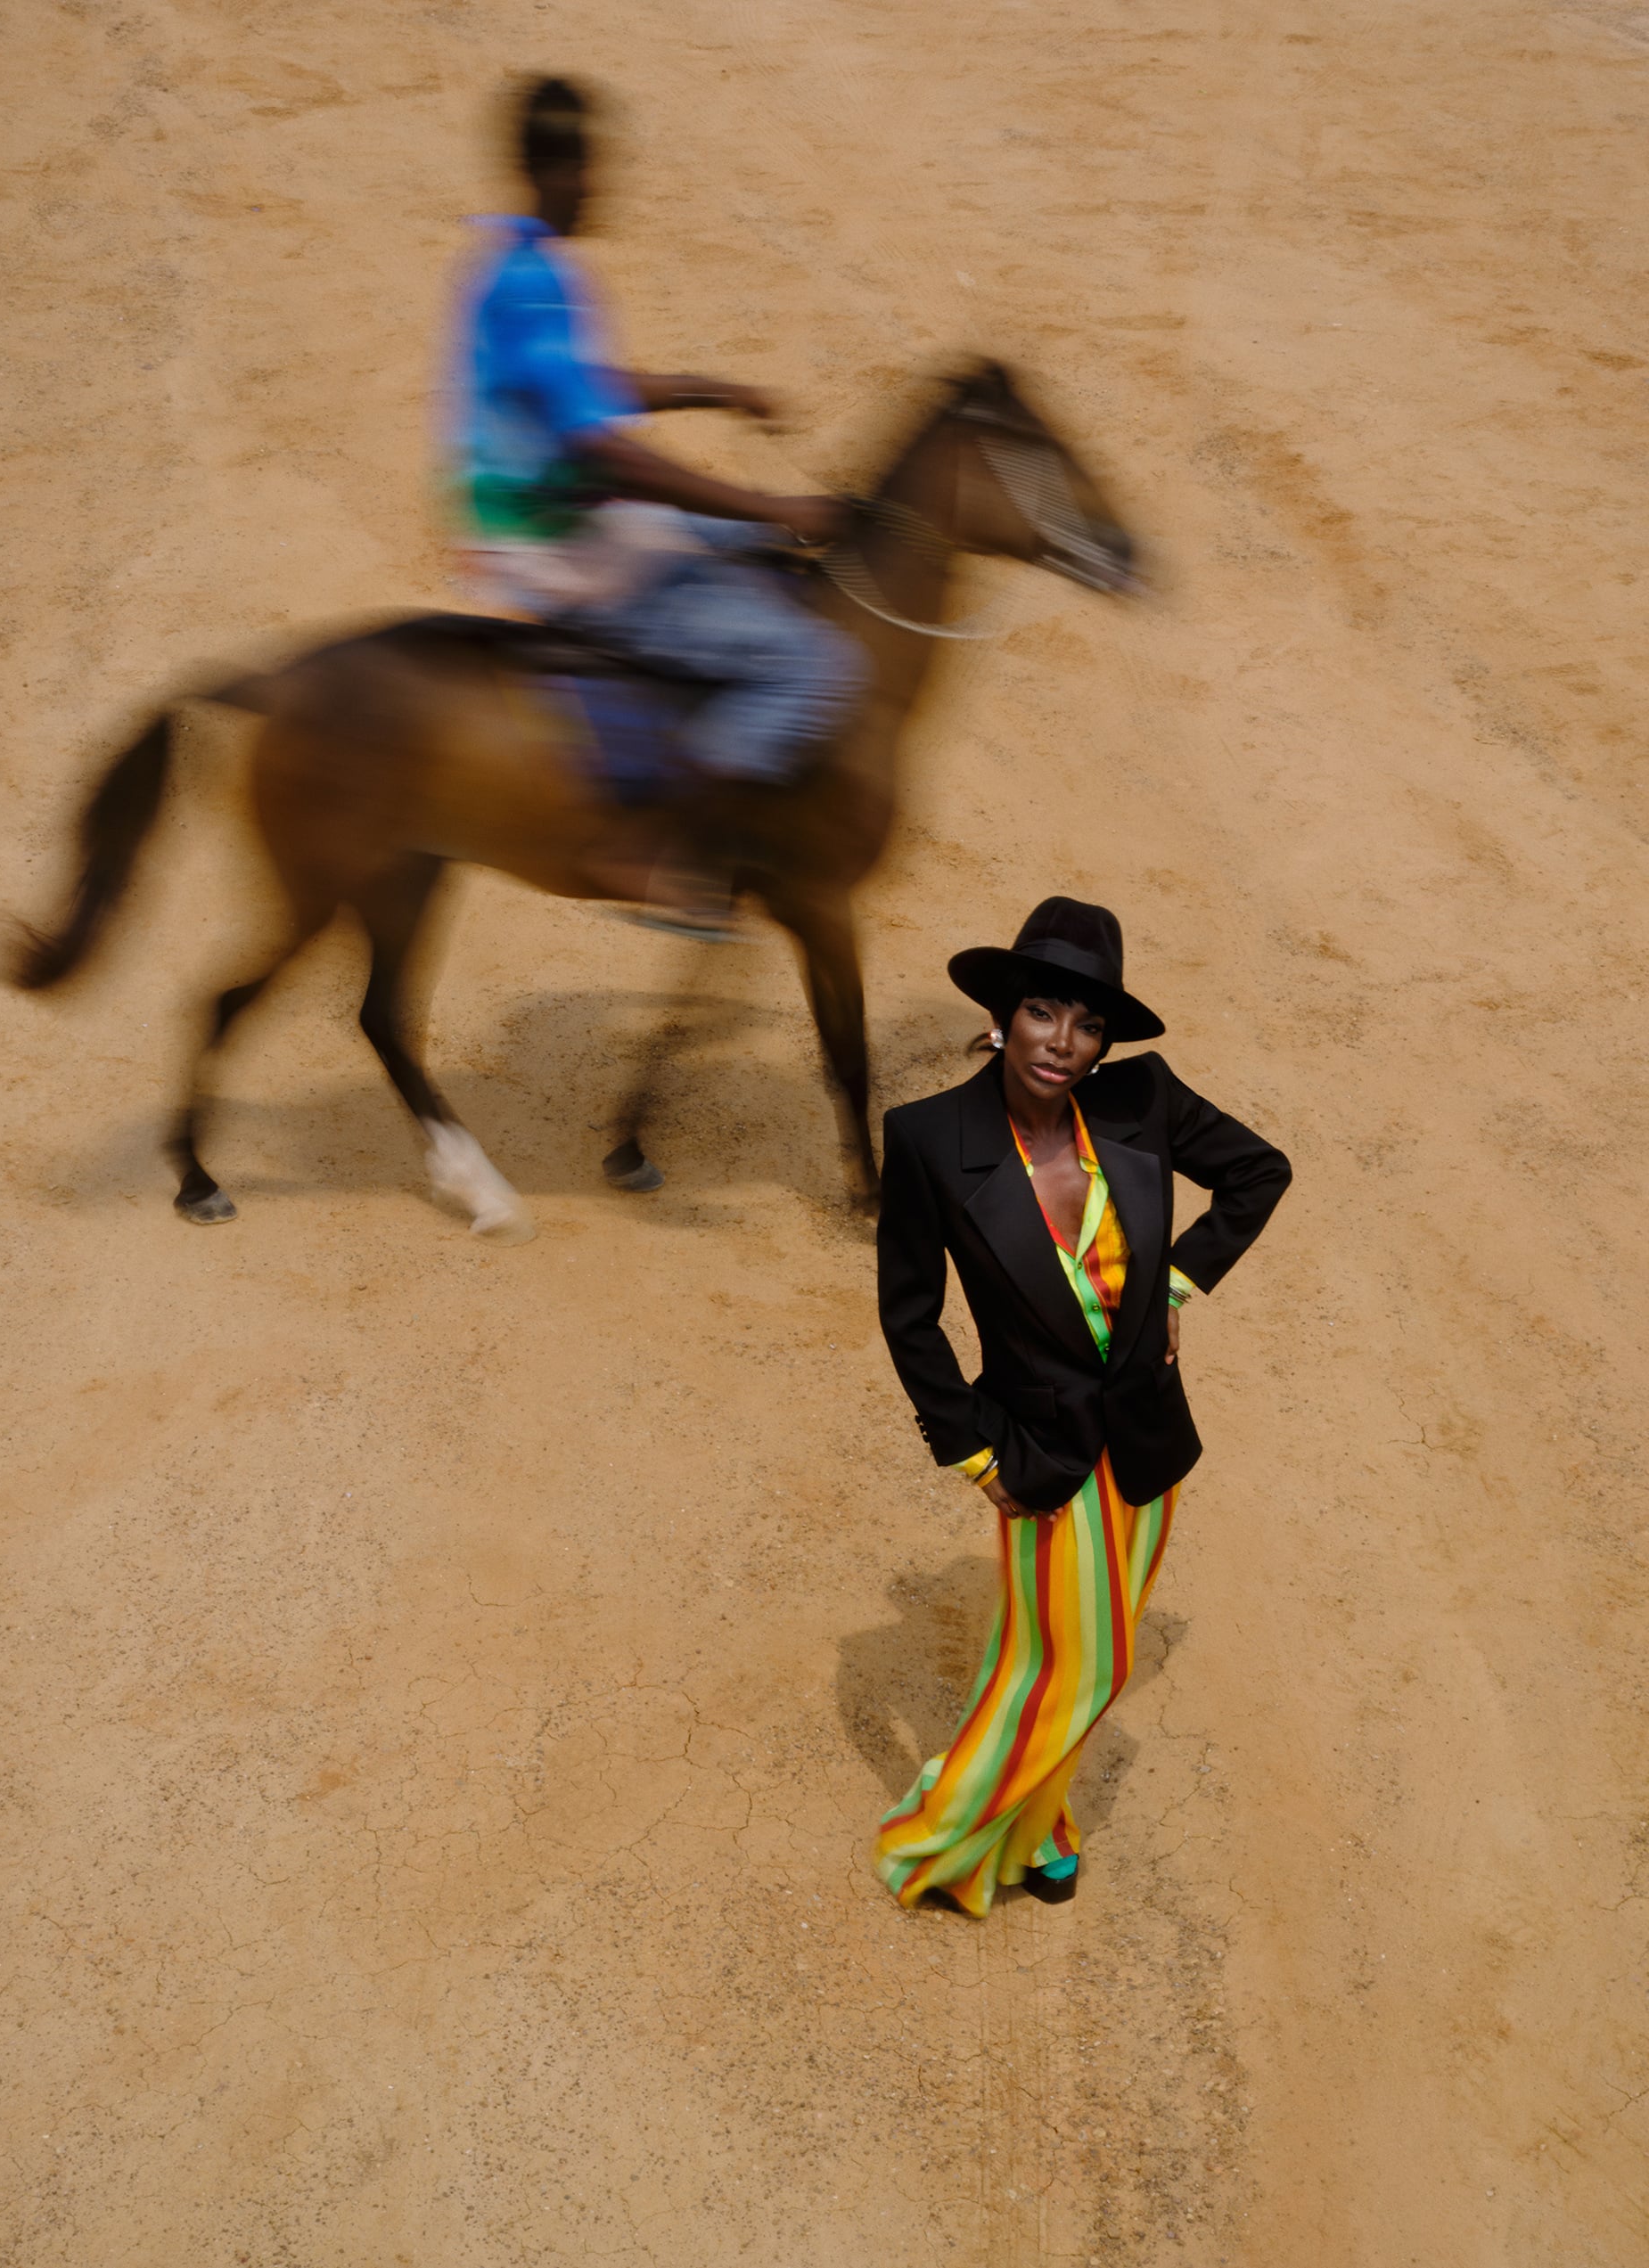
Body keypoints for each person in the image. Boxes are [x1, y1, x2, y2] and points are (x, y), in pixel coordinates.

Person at [872, 897, 1291, 1915]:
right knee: (1075, 1664)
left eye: (1087, 1022)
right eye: (1043, 1012)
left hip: (1145, 1442)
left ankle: (1042, 1826)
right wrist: (972, 1456)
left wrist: (1178, 1286)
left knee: (1066, 1657)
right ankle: (941, 1839)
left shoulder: (1138, 1100)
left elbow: (1255, 1172)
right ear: (1002, 1015)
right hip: (1035, 1451)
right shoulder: (929, 1139)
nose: (1063, 1043)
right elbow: (908, 1316)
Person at [441, 78, 866, 911]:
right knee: (811, 663)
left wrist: (710, 388)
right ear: (551, 168)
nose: (600, 184)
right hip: (559, 543)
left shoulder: (516, 261)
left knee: (752, 551)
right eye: (587, 167)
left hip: (550, 514)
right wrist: (776, 506)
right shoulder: (537, 282)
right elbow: (608, 458)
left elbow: (581, 385)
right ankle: (662, 843)